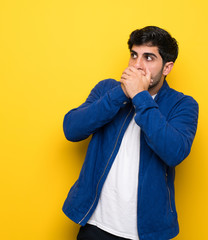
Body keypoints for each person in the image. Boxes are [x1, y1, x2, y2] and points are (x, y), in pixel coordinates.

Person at [62, 26, 199, 240]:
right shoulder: (107, 89)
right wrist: (121, 93)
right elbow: (72, 129)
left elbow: (174, 152)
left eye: (149, 58)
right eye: (134, 55)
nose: (137, 65)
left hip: (147, 232)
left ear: (167, 67)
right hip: (95, 225)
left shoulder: (183, 104)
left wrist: (139, 96)